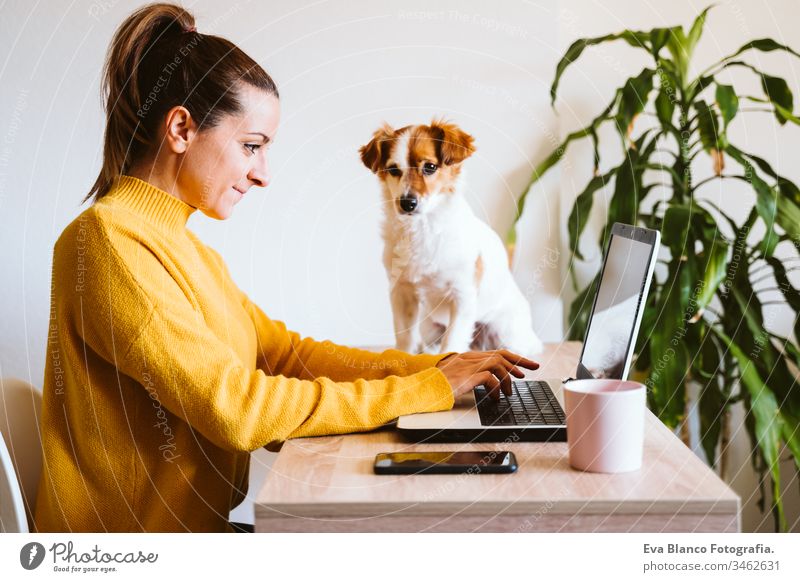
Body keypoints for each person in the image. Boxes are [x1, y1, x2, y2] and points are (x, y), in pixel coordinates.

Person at [34, 2, 539, 533]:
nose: (263, 174)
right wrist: (427, 389)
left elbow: (284, 357)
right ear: (181, 128)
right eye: (251, 147)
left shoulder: (184, 248)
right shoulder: (109, 244)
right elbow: (237, 408)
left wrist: (438, 368)